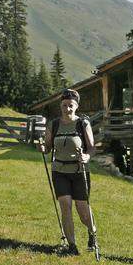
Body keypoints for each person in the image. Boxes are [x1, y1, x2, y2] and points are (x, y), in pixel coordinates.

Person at [38, 88, 97, 255]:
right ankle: (72, 246)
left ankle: (92, 232)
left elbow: (93, 149)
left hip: (79, 172)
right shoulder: (54, 124)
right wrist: (43, 148)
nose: (67, 109)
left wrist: (86, 157)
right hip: (59, 171)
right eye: (64, 105)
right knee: (65, 206)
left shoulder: (82, 123)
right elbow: (48, 147)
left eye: (71, 105)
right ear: (60, 106)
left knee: (83, 212)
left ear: (76, 106)